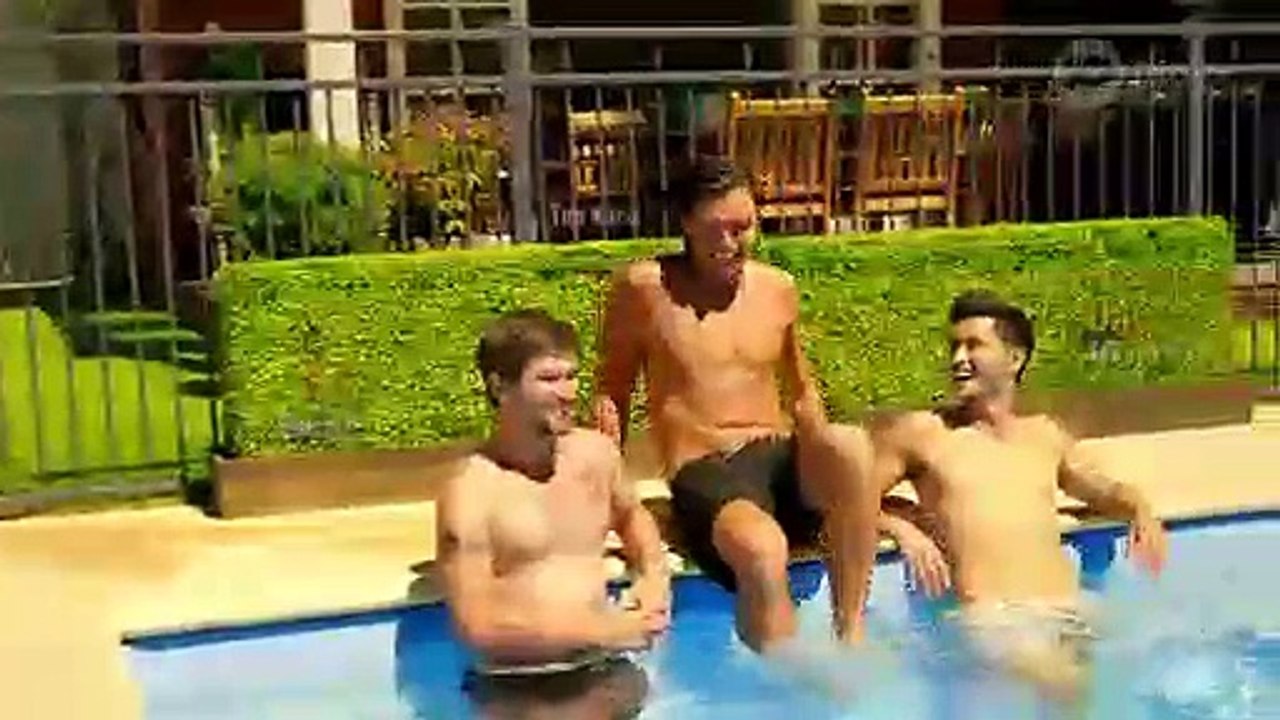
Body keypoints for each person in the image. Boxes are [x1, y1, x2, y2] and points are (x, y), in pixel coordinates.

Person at [591, 156, 879, 652]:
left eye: (742, 228)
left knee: (851, 445)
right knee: (764, 548)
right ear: (686, 223)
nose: (730, 244)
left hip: (780, 457)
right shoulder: (645, 290)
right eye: (716, 230)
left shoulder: (776, 288)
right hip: (707, 467)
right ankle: (786, 678)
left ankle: (851, 636)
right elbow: (610, 395)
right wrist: (603, 499)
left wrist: (848, 489)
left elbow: (803, 393)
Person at [871, 289, 1169, 702]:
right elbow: (843, 500)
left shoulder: (1043, 434)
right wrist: (902, 530)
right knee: (1069, 689)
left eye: (973, 345)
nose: (958, 359)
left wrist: (1140, 510)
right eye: (954, 347)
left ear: (1014, 358)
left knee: (1163, 673)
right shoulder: (925, 433)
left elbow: (1102, 489)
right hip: (995, 621)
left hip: (1069, 609)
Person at [436, 308, 670, 716]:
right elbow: (477, 626)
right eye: (548, 379)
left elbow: (633, 518)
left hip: (605, 665)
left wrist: (653, 577)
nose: (568, 392)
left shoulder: (595, 455)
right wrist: (607, 630)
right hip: (523, 682)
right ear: (500, 386)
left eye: (571, 376)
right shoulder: (472, 491)